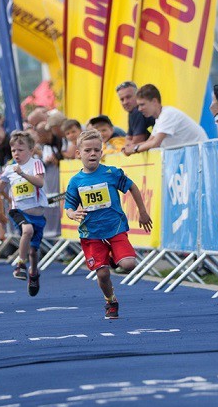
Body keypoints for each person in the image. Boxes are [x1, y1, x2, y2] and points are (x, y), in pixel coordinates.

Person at [65, 129, 153, 319]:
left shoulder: (111, 173)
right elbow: (69, 207)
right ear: (79, 154)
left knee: (129, 264)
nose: (93, 154)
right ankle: (110, 301)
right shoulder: (75, 181)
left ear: (102, 152)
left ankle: (114, 257)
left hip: (115, 229)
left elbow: (132, 187)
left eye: (97, 150)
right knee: (103, 274)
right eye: (88, 150)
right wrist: (73, 214)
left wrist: (143, 211)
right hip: (91, 234)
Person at [0, 130, 47, 295]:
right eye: (13, 150)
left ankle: (33, 273)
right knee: (26, 230)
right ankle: (20, 264)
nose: (16, 153)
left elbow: (40, 183)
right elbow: (1, 185)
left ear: (30, 150)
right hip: (18, 211)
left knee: (34, 251)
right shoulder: (9, 168)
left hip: (37, 214)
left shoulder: (36, 164)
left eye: (20, 150)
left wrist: (23, 174)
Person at [124, 85, 207, 155]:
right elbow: (149, 142)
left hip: (200, 155)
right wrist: (130, 147)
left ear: (154, 101)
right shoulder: (160, 118)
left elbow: (155, 143)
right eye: (138, 106)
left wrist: (134, 149)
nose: (139, 109)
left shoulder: (168, 114)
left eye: (142, 105)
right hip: (194, 155)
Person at [116, 81, 155, 145]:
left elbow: (136, 142)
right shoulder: (132, 112)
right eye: (122, 99)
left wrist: (129, 145)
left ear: (137, 96)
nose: (125, 102)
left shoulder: (137, 111)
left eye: (128, 97)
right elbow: (128, 139)